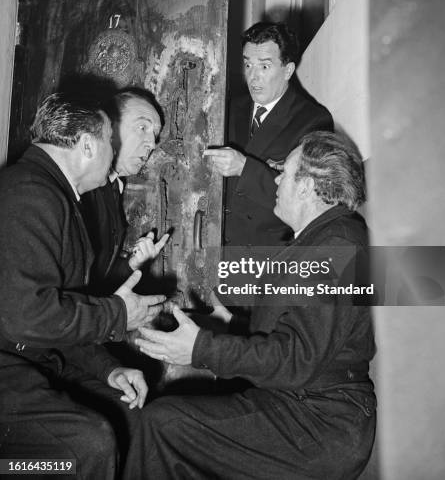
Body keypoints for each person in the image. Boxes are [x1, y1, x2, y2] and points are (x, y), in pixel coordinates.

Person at [124, 131, 376, 480]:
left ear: (306, 187)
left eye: (284, 172)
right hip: (303, 405)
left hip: (320, 421)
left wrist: (201, 349)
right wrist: (232, 325)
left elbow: (297, 358)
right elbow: (297, 337)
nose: (275, 179)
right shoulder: (322, 240)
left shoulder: (336, 244)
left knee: (164, 424)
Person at [0, 94, 165, 479]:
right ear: (88, 145)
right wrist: (119, 314)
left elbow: (62, 315)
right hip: (10, 363)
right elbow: (29, 317)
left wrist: (109, 370)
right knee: (86, 444)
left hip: (37, 358)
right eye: (110, 140)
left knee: (135, 416)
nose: (114, 151)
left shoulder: (53, 194)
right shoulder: (30, 193)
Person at [204, 22, 333, 247]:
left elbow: (307, 200)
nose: (253, 77)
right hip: (217, 244)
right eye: (247, 64)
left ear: (288, 70)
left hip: (267, 254)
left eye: (264, 67)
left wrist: (245, 168)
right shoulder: (231, 107)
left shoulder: (313, 120)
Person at [81, 88, 169, 295]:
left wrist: (133, 263)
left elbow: (97, 281)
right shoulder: (81, 186)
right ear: (108, 127)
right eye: (142, 127)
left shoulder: (113, 187)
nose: (152, 143)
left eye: (155, 134)